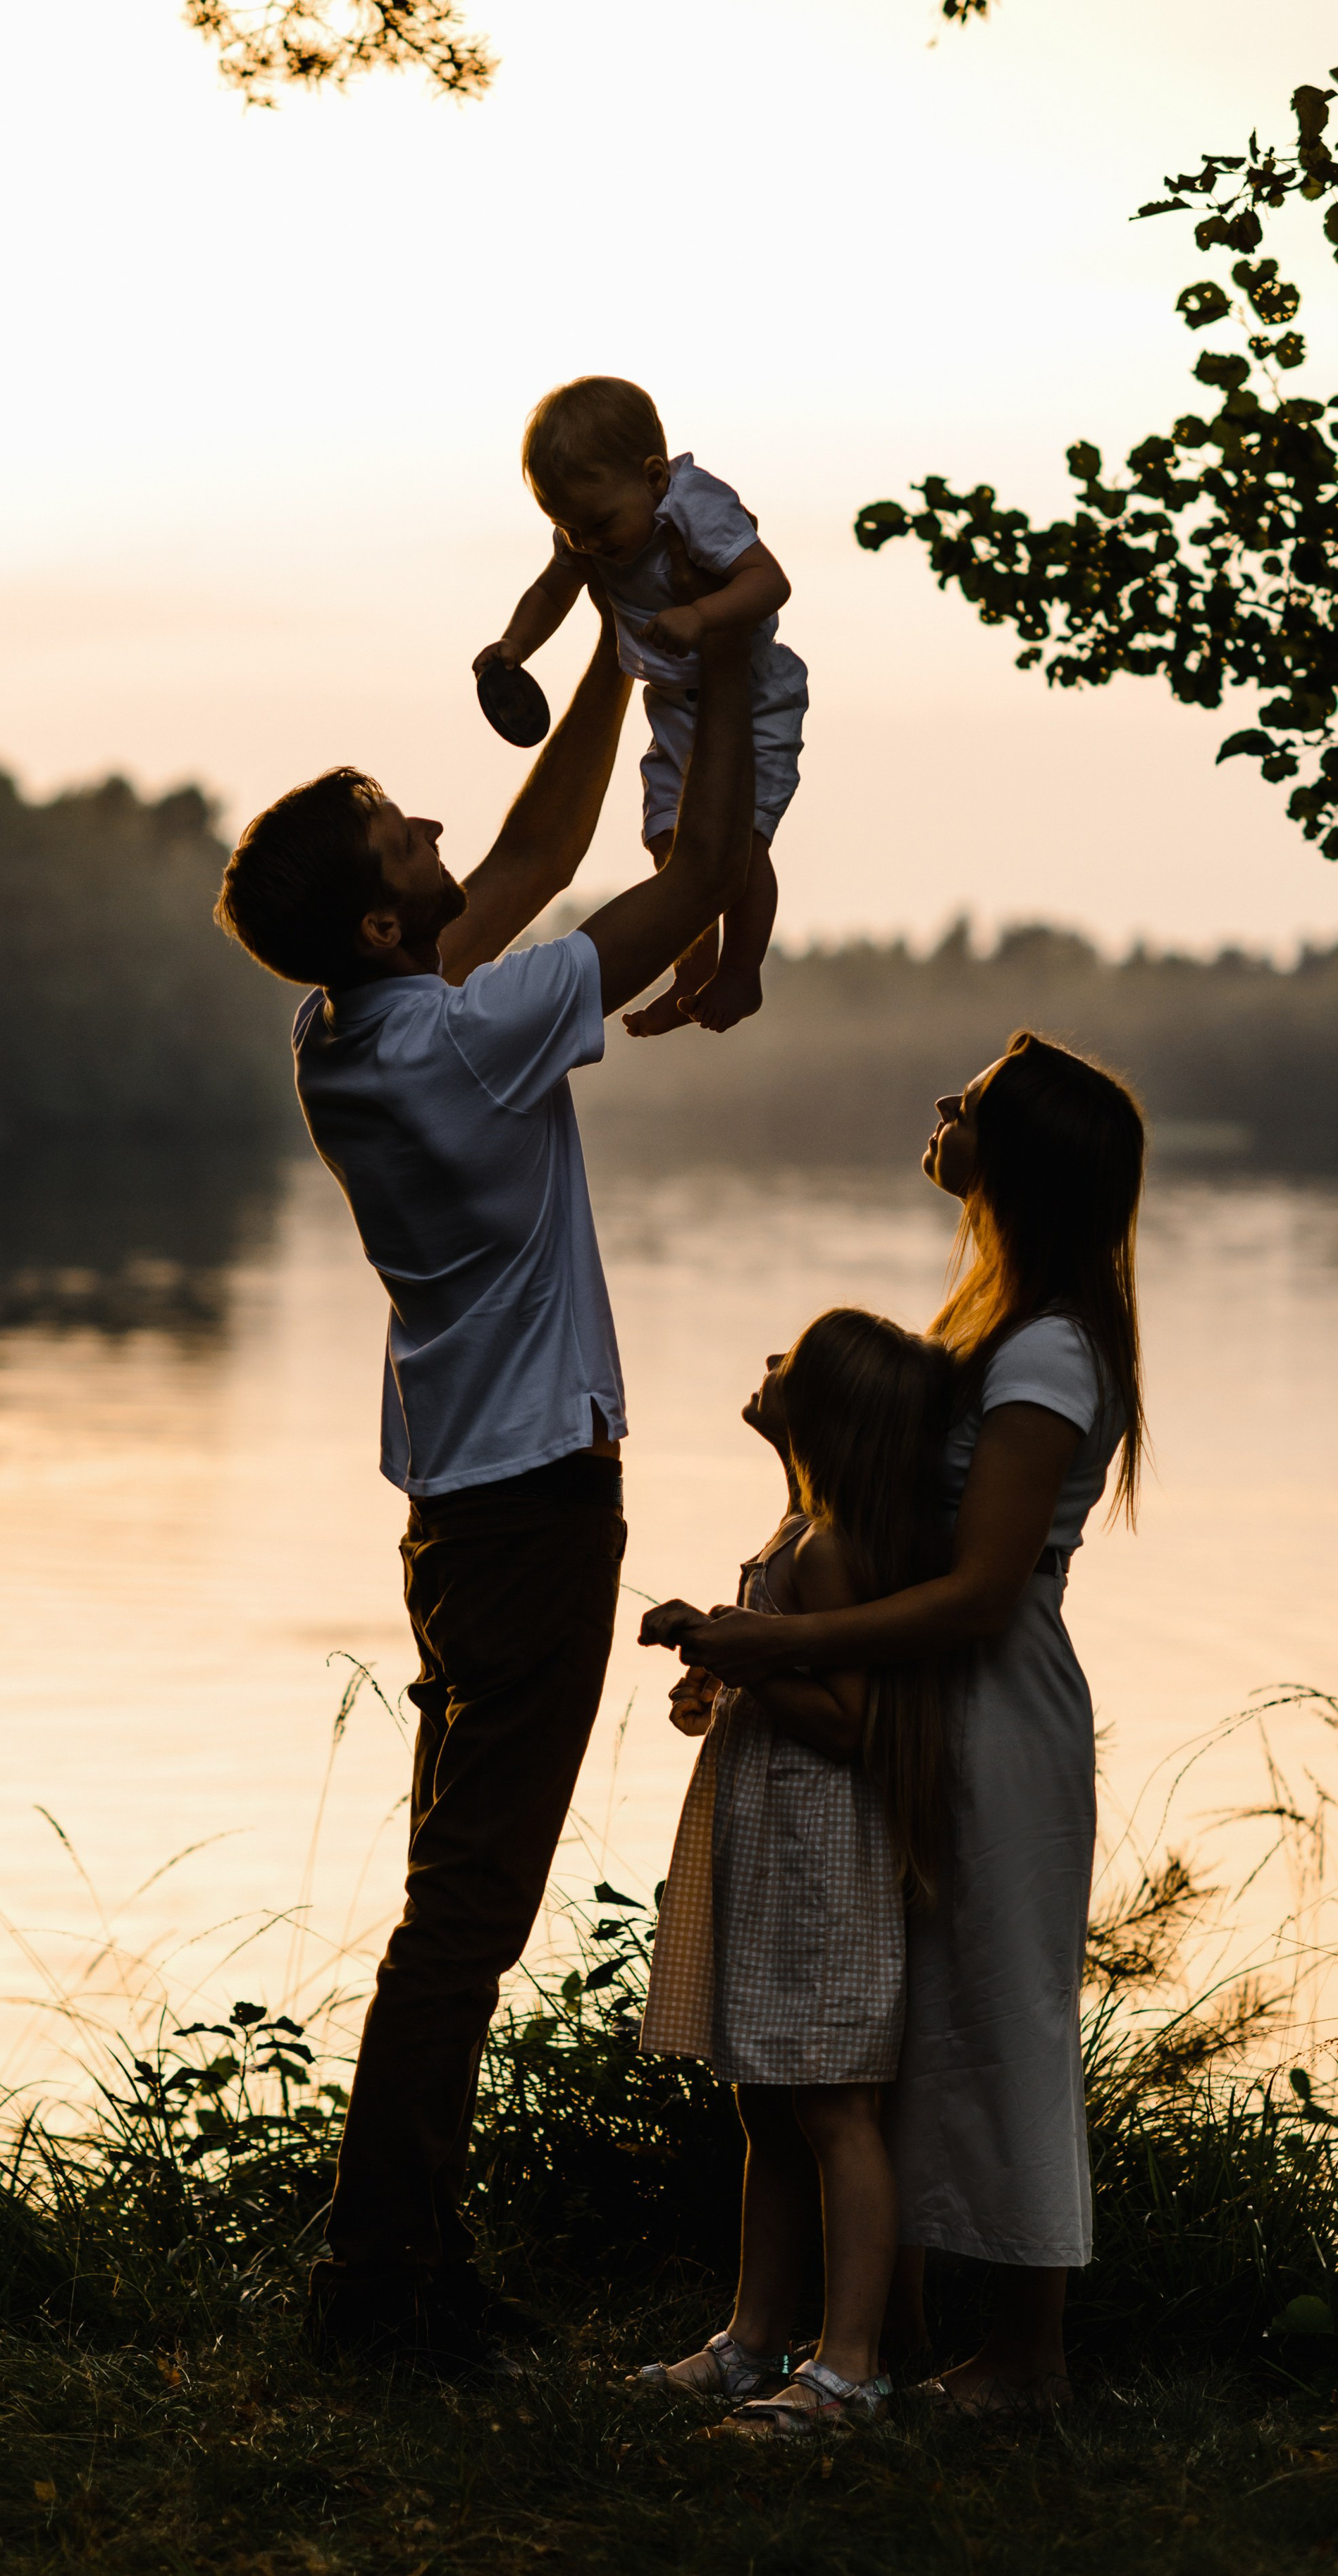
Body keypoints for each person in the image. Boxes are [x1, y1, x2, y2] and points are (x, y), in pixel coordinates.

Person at [212, 602, 760, 2372]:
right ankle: (381, 2285)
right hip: (526, 1511)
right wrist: (720, 673)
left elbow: (532, 845)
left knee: (451, 1899)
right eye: (401, 832)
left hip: (466, 1512)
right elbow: (670, 888)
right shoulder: (461, 1036)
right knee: (468, 1911)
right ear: (384, 916)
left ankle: (392, 2265)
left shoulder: (349, 1027)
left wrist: (611, 644)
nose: (439, 830)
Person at [639, 1033, 1146, 2413]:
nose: (941, 1106)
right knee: (895, 2021)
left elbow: (978, 1590)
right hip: (924, 1704)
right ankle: (885, 2326)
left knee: (999, 2016)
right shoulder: (994, 1322)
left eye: (970, 1102)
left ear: (1021, 1156)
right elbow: (896, 1522)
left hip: (989, 1711)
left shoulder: (1044, 1348)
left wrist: (772, 1640)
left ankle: (1025, 2356)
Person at [633, 1310, 952, 2434]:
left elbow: (851, 1721)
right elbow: (788, 1678)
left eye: (792, 1363)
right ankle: (752, 2341)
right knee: (769, 2103)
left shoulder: (830, 1551)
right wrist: (715, 1675)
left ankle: (850, 2364)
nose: (767, 1365)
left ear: (828, 1415)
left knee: (834, 2109)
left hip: (824, 1866)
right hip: (777, 1856)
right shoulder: (797, 1531)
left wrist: (745, 1666)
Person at [473, 374, 807, 1039]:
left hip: (754, 696)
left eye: (598, 524)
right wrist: (513, 646)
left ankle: (742, 970)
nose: (588, 543)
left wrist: (702, 615)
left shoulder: (697, 507)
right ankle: (691, 963)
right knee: (666, 835)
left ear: (654, 477)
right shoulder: (588, 533)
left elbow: (770, 582)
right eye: (568, 528)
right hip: (674, 702)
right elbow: (551, 590)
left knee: (737, 845)